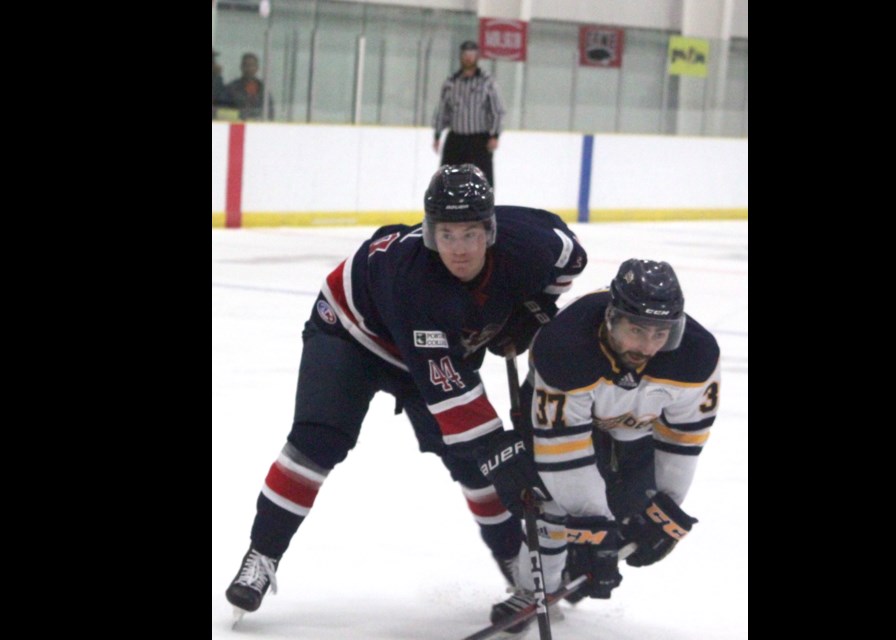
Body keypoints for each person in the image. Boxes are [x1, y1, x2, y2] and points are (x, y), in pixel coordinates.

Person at [225, 163, 588, 618]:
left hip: (434, 342)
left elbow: (570, 257)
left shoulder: (530, 244)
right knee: (318, 441)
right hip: (350, 332)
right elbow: (449, 395)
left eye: (470, 234)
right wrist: (501, 450)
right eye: (446, 235)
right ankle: (262, 555)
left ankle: (516, 562)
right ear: (431, 232)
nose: (458, 249)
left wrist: (536, 307)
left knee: (471, 463)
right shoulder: (415, 281)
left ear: (491, 230)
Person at [489, 259, 721, 635]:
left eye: (661, 334)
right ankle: (533, 590)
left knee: (632, 510)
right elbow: (563, 456)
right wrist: (593, 528)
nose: (648, 347)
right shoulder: (565, 347)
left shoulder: (695, 355)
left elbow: (682, 443)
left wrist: (663, 512)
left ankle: (575, 566)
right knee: (548, 499)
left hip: (637, 425)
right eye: (637, 330)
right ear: (611, 318)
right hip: (565, 416)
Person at [431, 40, 507, 188]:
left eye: (472, 54)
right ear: (461, 56)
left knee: (482, 183)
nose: (468, 58)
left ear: (477, 56)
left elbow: (497, 110)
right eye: (465, 54)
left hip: (478, 141)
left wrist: (495, 135)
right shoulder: (451, 83)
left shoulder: (487, 82)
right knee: (447, 180)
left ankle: (482, 210)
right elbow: (442, 110)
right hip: (456, 140)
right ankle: (448, 209)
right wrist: (437, 135)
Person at [224, 52, 274, 121]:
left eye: (252, 65)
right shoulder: (231, 89)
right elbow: (223, 110)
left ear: (257, 68)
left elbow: (270, 112)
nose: (249, 68)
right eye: (246, 65)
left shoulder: (263, 90)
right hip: (237, 126)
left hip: (258, 127)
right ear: (241, 67)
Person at [212, 49, 230, 119]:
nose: (214, 63)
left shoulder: (217, 79)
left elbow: (223, 101)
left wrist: (216, 76)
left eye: (213, 59)